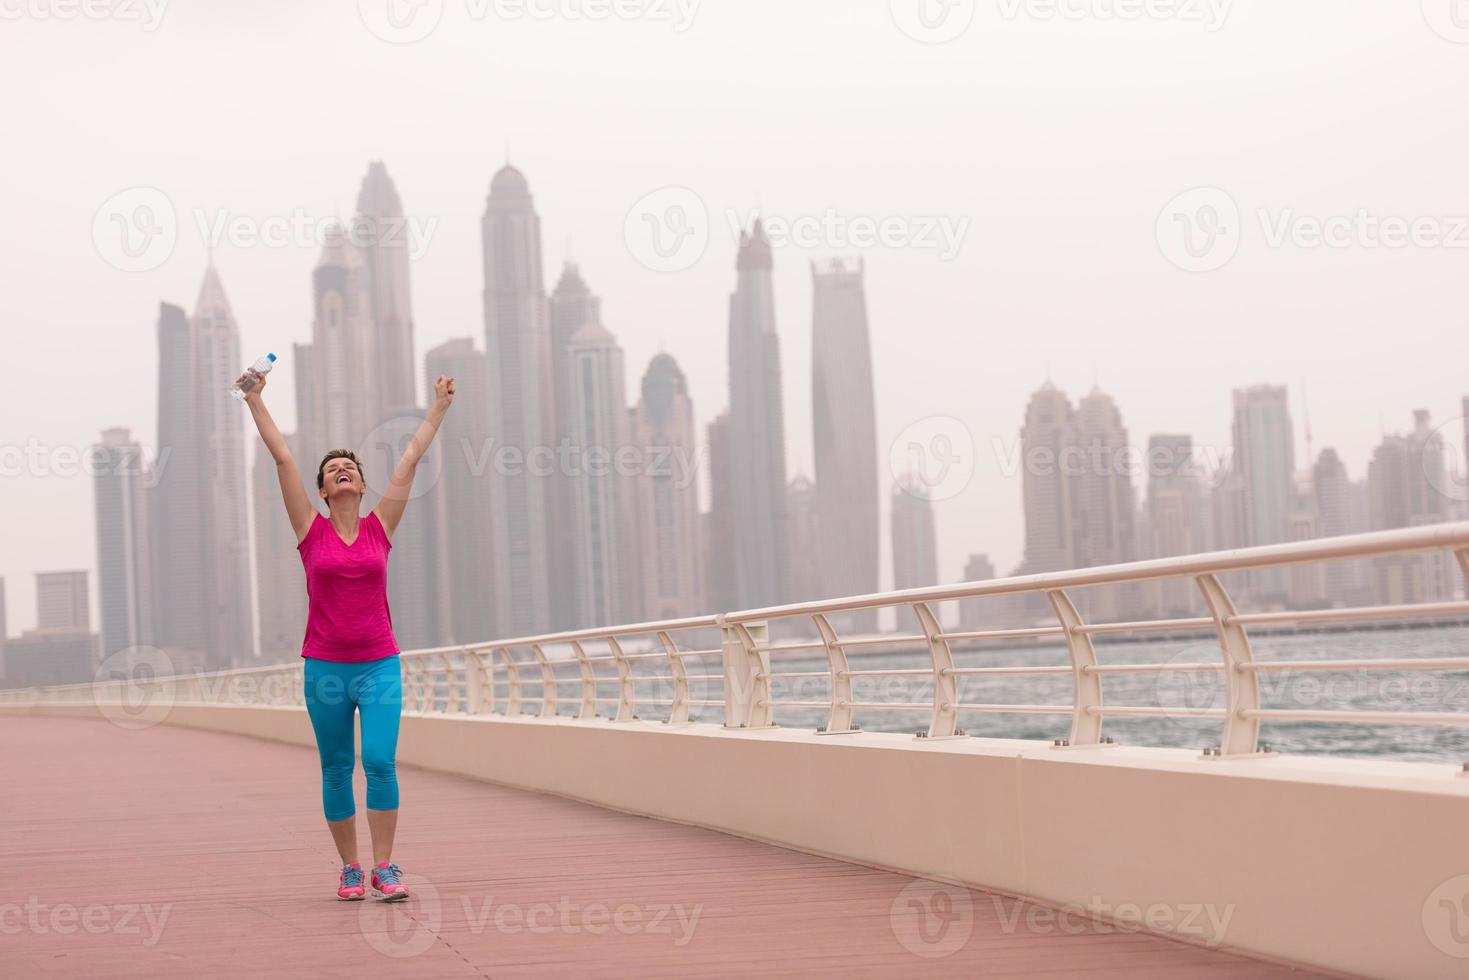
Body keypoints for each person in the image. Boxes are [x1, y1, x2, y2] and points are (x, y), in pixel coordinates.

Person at [242, 367, 455, 902]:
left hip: (379, 664)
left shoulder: (381, 527)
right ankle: (351, 869)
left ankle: (385, 867)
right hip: (326, 668)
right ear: (322, 489)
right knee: (337, 767)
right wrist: (254, 399)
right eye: (332, 470)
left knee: (379, 760)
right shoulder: (309, 532)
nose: (342, 472)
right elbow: (284, 459)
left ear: (361, 485)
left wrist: (439, 408)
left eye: (350, 468)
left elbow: (409, 461)